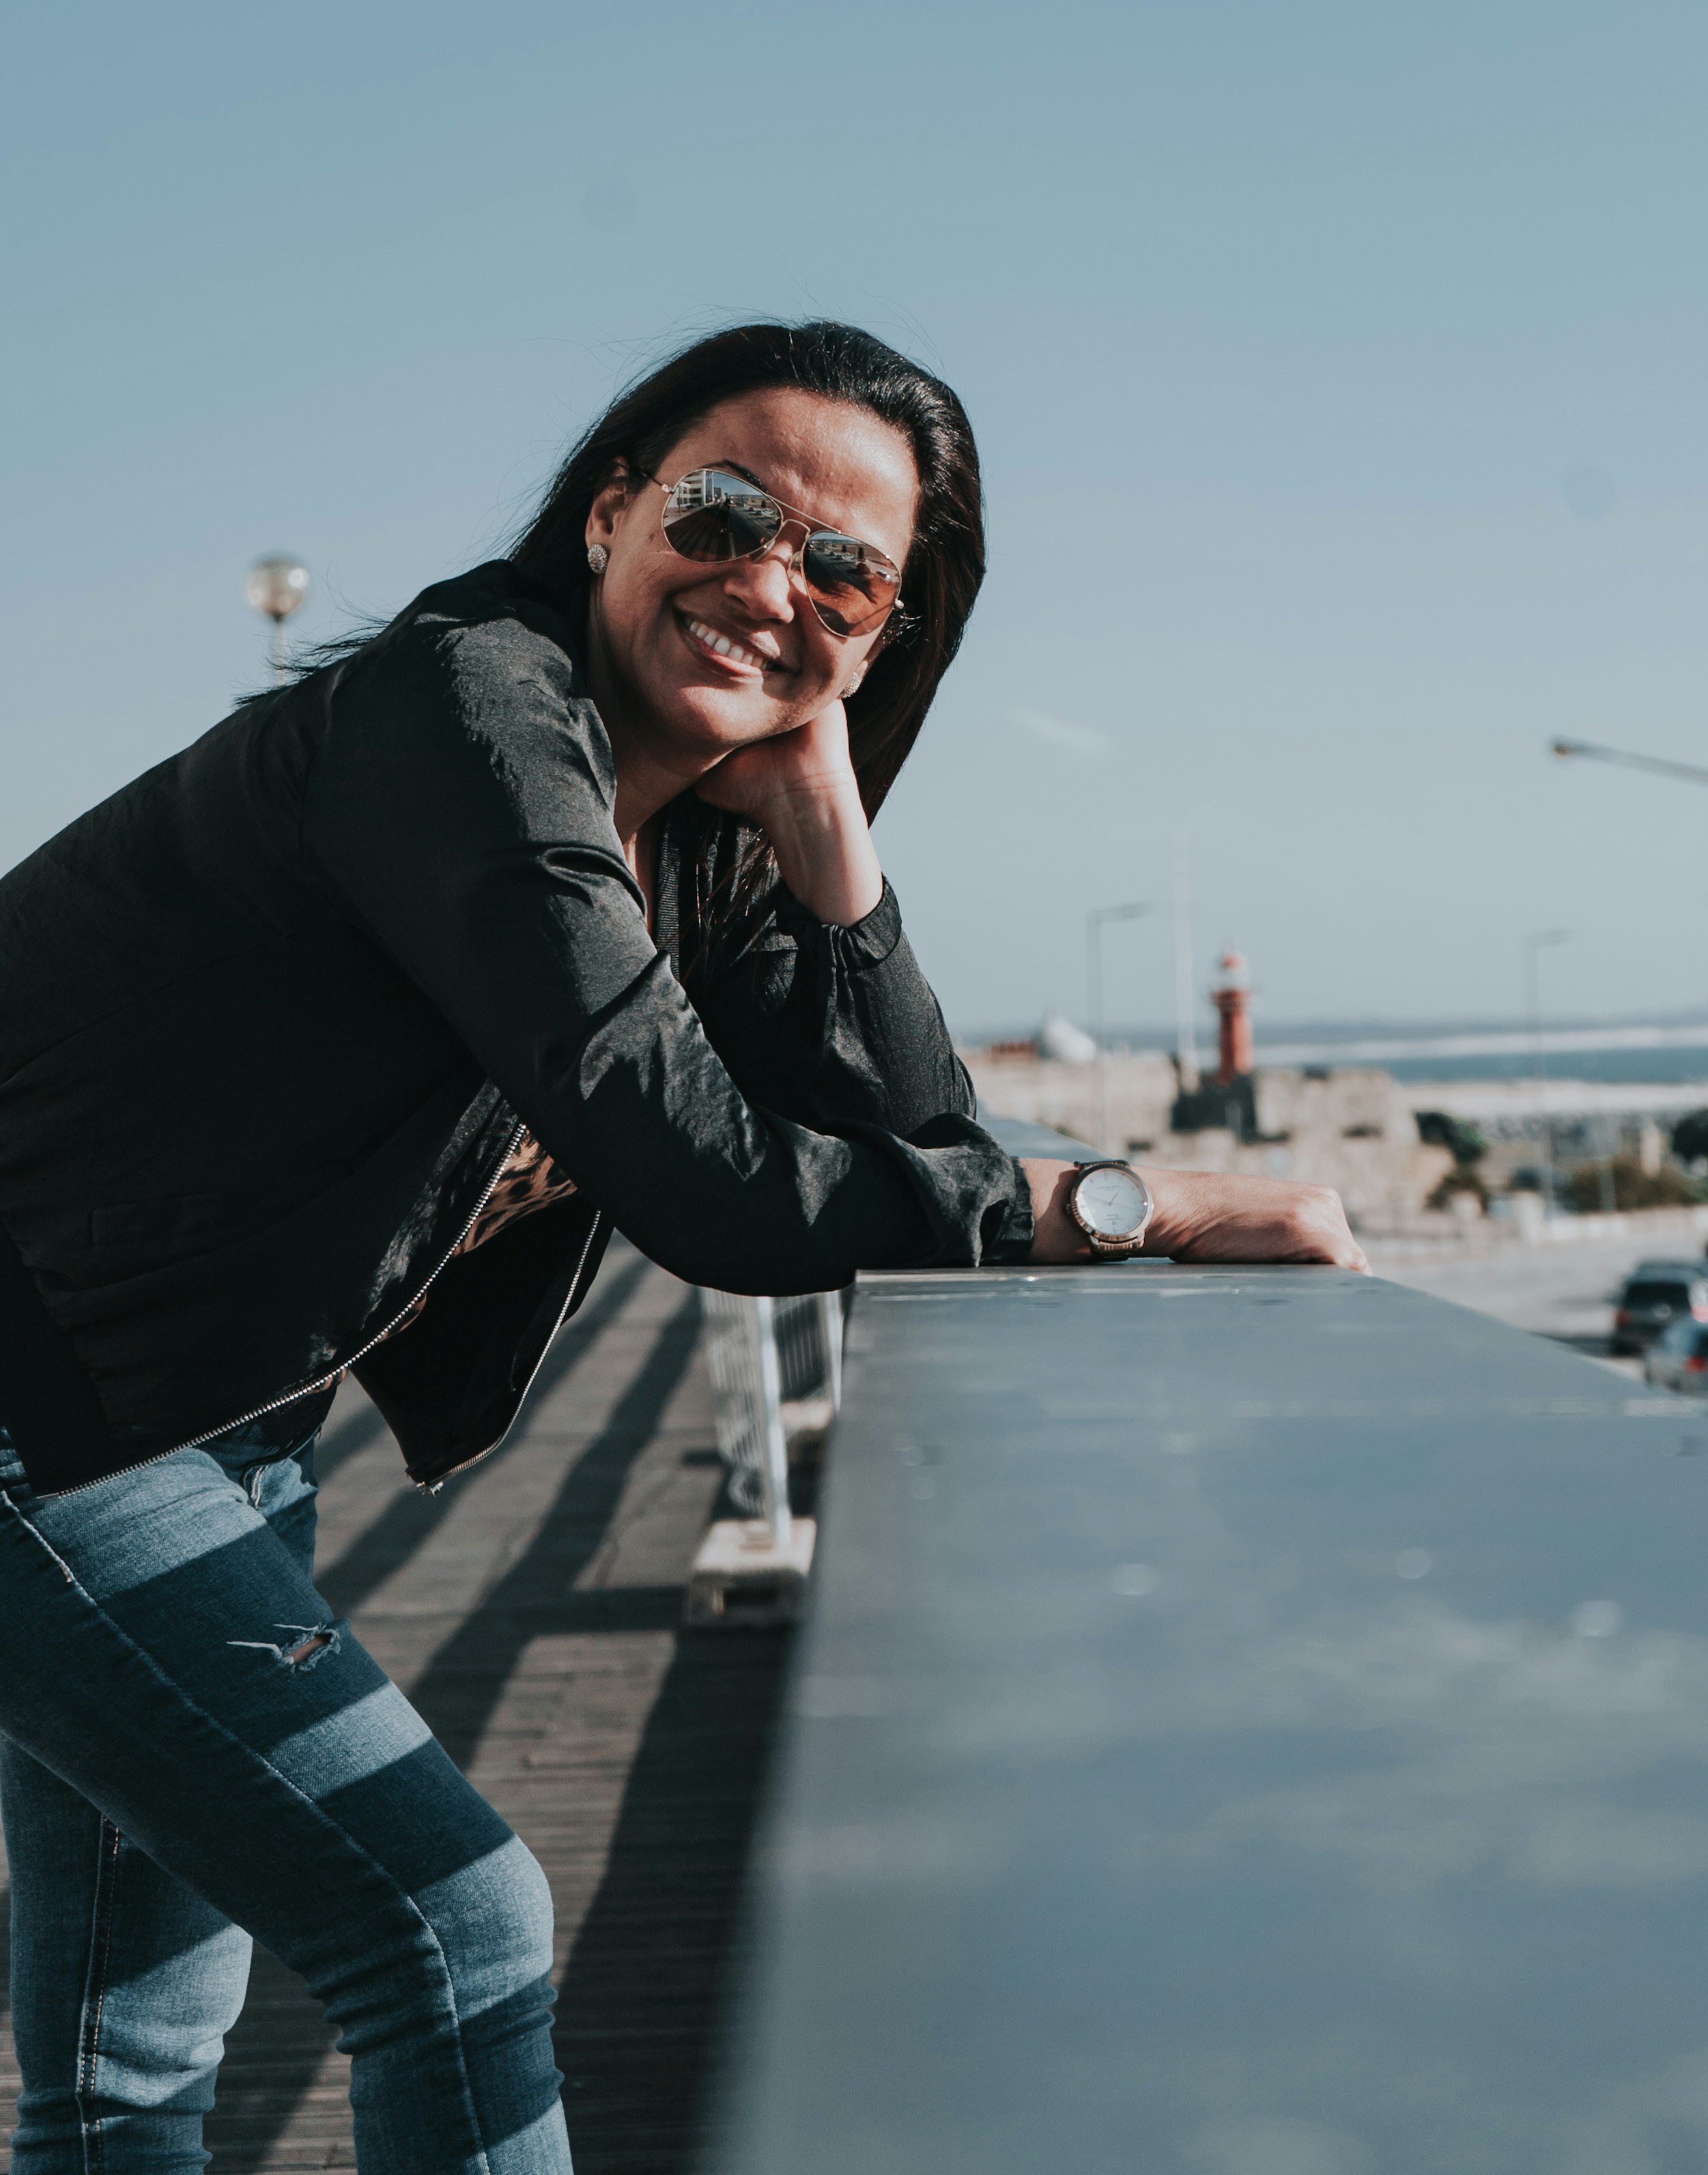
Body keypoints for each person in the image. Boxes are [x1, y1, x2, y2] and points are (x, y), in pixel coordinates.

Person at [0, 318, 1363, 2172]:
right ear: (609, 513)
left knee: (130, 2048)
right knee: (447, 1921)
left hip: (191, 1403)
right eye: (719, 514)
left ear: (887, 629)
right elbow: (710, 1187)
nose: (761, 582)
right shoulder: (466, 713)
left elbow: (918, 1136)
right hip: (47, 1400)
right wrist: (1130, 1202)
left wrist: (829, 838)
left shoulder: (695, 832)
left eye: (839, 568)